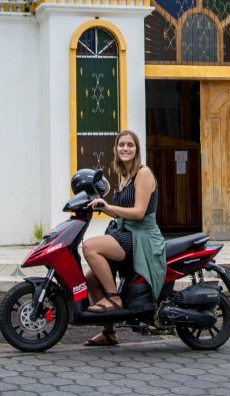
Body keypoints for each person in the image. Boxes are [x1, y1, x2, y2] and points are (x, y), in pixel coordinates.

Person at [81, 130, 166, 347]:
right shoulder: (124, 176)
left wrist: (109, 206)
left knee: (90, 247)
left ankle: (114, 297)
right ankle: (109, 333)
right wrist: (101, 206)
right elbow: (120, 212)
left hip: (142, 238)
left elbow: (138, 213)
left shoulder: (143, 173)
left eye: (130, 145)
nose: (125, 148)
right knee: (91, 278)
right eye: (121, 145)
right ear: (116, 149)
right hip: (127, 232)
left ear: (137, 149)